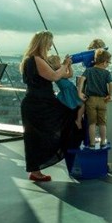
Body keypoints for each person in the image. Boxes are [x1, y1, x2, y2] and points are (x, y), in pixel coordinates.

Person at [20, 31, 82, 181]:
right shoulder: (36, 60)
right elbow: (54, 76)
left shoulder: (28, 60)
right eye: (49, 44)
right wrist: (66, 64)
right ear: (43, 43)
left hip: (35, 103)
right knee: (69, 116)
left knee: (34, 138)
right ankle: (66, 152)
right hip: (40, 104)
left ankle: (35, 171)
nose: (50, 47)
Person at [77, 49, 112, 146]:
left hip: (91, 100)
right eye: (108, 62)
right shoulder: (106, 73)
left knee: (92, 123)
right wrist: (110, 95)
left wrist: (80, 92)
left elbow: (81, 80)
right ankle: (102, 141)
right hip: (103, 100)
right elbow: (111, 84)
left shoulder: (89, 71)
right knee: (102, 123)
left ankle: (92, 143)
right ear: (105, 62)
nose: (108, 64)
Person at [47, 55, 84, 129]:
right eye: (58, 62)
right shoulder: (58, 73)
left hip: (67, 90)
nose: (60, 63)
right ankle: (78, 120)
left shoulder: (55, 72)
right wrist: (69, 65)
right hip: (69, 90)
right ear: (55, 63)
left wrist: (66, 64)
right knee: (82, 104)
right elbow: (70, 75)